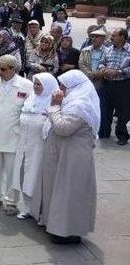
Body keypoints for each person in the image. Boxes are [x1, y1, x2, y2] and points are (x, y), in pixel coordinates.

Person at [40, 70, 98, 244]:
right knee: (61, 192)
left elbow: (63, 128)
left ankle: (68, 232)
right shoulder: (73, 101)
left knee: (70, 194)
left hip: (74, 157)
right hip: (65, 154)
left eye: (63, 86)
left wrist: (54, 107)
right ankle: (57, 227)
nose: (60, 89)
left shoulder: (80, 104)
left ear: (74, 86)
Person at [0, 55, 33, 214]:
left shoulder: (26, 85)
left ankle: (11, 201)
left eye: (3, 69)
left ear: (13, 69)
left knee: (13, 170)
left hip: (14, 134)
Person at [13, 73, 58, 220]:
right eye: (35, 83)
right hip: (24, 144)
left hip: (40, 147)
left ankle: (39, 211)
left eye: (39, 84)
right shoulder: (31, 98)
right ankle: (27, 207)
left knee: (37, 177)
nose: (36, 87)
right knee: (24, 174)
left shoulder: (53, 103)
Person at [98, 28, 130, 145]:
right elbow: (101, 62)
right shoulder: (108, 49)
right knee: (105, 109)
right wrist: (103, 69)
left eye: (114, 36)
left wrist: (119, 72)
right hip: (107, 84)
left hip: (123, 84)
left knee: (123, 111)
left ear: (122, 37)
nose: (111, 38)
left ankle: (122, 136)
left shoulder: (129, 50)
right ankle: (104, 132)